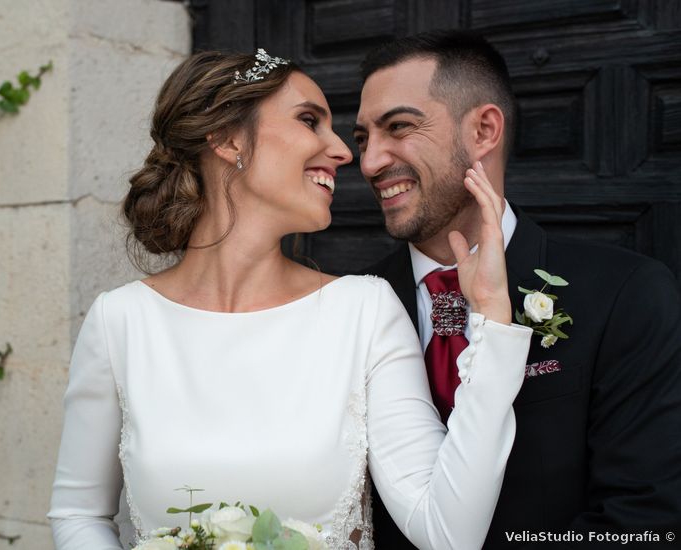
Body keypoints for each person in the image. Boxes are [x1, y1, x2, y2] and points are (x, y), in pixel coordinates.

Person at [48, 49, 533, 550]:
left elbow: (447, 534)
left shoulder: (365, 312)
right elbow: (78, 513)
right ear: (228, 139)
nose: (346, 153)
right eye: (309, 121)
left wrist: (494, 324)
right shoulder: (120, 322)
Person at [356, 31, 681, 549]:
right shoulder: (354, 305)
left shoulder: (626, 293)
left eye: (399, 127)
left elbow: (644, 521)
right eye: (363, 139)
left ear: (484, 130)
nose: (371, 162)